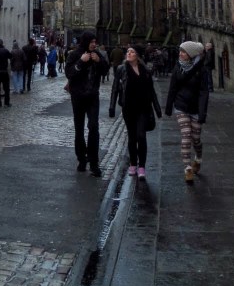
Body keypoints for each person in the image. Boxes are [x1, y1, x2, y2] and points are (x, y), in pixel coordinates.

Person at [109, 45, 163, 178]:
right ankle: (133, 164)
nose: (128, 53)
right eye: (127, 51)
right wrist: (112, 107)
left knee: (141, 136)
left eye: (132, 52)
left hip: (143, 108)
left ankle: (142, 167)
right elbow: (115, 88)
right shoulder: (122, 69)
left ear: (138, 55)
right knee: (132, 137)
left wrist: (157, 108)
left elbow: (151, 91)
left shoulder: (145, 70)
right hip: (128, 108)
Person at [65, 31, 110, 177]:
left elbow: (105, 71)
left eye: (95, 42)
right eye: (91, 42)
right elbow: (69, 73)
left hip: (92, 96)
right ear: (85, 42)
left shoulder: (97, 54)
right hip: (78, 96)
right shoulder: (74, 54)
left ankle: (94, 162)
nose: (94, 44)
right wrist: (81, 62)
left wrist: (99, 61)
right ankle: (82, 159)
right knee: (79, 129)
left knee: (93, 127)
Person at [164, 40, 209, 184]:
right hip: (181, 105)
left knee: (196, 138)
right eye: (180, 51)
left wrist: (202, 113)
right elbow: (173, 87)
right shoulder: (178, 67)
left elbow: (204, 93)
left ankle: (198, 158)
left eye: (183, 52)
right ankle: (188, 168)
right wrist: (168, 107)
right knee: (186, 134)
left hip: (195, 107)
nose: (180, 54)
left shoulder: (201, 70)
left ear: (191, 54)